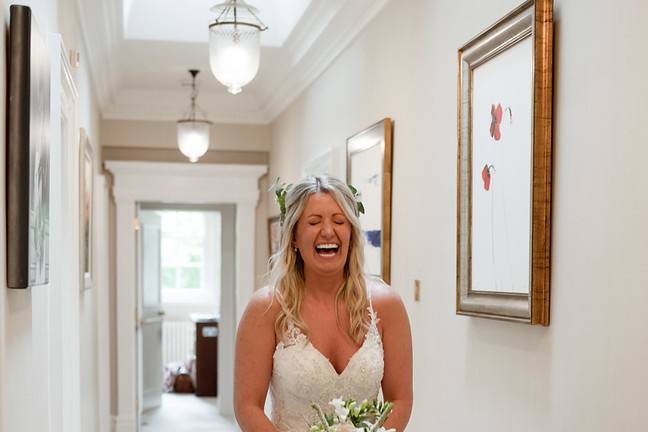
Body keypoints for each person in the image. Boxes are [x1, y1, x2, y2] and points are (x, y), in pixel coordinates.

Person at [234, 175, 412, 431]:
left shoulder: (387, 305)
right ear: (294, 236)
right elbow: (247, 407)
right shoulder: (266, 308)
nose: (328, 231)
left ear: (351, 232)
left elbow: (400, 400)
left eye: (339, 221)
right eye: (314, 222)